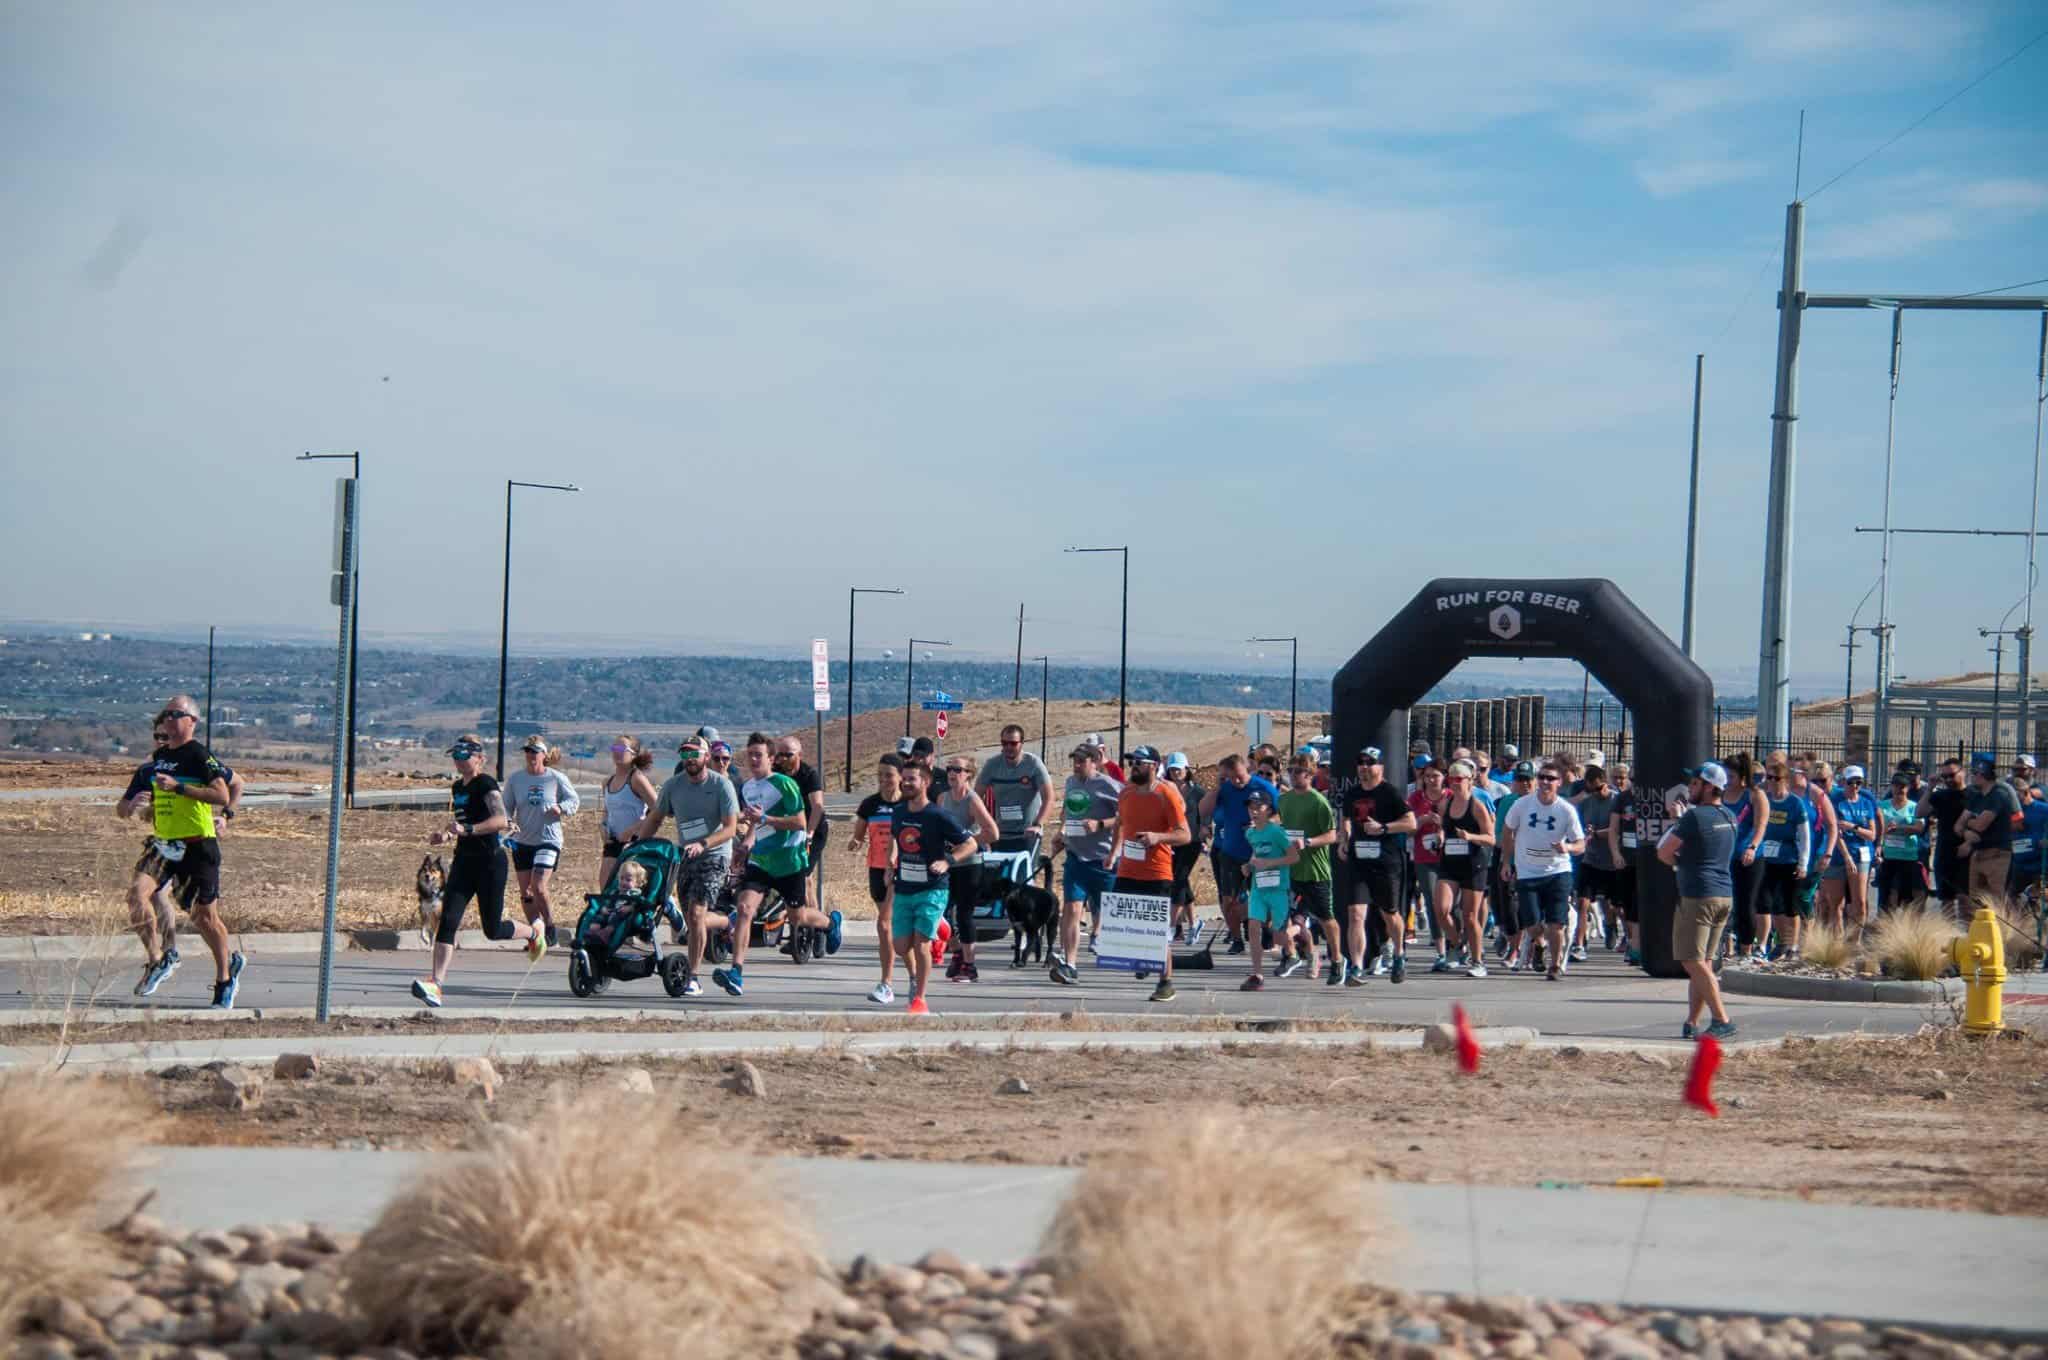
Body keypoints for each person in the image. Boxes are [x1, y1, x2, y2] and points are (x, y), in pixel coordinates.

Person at [123, 696, 243, 1007]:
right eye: (166, 715)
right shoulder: (158, 758)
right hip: (164, 844)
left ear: (192, 721)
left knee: (205, 919)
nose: (168, 720)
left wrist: (181, 789)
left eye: (176, 714)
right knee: (137, 895)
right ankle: (157, 958)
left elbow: (221, 792)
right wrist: (135, 807)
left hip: (197, 845)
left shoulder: (198, 755)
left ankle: (224, 977)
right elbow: (124, 806)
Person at [415, 735, 548, 1007]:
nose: (459, 759)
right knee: (448, 920)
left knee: (492, 929)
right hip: (464, 862)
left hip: (490, 863)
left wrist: (469, 830)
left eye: (465, 754)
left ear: (479, 758)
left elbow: (501, 819)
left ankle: (535, 933)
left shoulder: (486, 784)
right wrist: (447, 836)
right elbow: (463, 822)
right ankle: (436, 985)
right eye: (456, 754)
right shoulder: (456, 787)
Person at [711, 734, 844, 997]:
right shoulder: (747, 788)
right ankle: (736, 972)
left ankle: (829, 923)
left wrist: (767, 818)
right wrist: (746, 845)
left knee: (797, 918)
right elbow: (753, 824)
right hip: (761, 862)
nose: (753, 759)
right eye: (750, 754)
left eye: (758, 754)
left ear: (771, 759)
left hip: (790, 863)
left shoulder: (785, 785)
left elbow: (800, 821)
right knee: (745, 908)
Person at [628, 736, 740, 998]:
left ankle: (694, 976)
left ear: (705, 756)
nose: (689, 760)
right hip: (686, 855)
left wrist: (704, 843)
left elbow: (731, 828)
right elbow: (655, 818)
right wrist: (636, 847)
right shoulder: (673, 786)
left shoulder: (721, 785)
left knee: (698, 913)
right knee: (691, 916)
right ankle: (727, 921)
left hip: (714, 854)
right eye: (684, 755)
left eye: (694, 755)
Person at [1655, 761, 1740, 1040]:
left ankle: (1721, 1018)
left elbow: (1664, 852)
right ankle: (1692, 1021)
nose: (1690, 787)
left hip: (1699, 895)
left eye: (1694, 783)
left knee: (1691, 960)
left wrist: (1679, 862)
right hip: (1723, 895)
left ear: (1709, 787)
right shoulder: (1729, 816)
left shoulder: (1693, 818)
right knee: (1702, 961)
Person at [887, 761, 978, 1016]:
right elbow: (896, 839)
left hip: (932, 889)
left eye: (911, 779)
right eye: (903, 778)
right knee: (901, 947)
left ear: (925, 783)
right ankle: (919, 968)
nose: (905, 783)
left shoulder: (938, 815)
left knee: (921, 945)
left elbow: (970, 843)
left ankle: (920, 998)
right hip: (904, 887)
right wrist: (889, 864)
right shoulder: (899, 812)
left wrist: (947, 861)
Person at [1108, 746, 1190, 1003]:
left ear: (1154, 766)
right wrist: (1113, 852)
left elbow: (1185, 834)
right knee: (1124, 925)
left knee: (1156, 930)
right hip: (1127, 869)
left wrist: (1158, 837)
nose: (1134, 767)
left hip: (1157, 872)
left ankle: (1166, 982)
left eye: (1140, 763)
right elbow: (1121, 824)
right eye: (1132, 762)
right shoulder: (1126, 793)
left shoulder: (1166, 794)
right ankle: (1141, 959)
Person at [1500, 764, 1586, 982]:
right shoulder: (1522, 805)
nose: (1546, 782)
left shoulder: (1566, 810)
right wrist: (1506, 863)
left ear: (1559, 783)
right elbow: (1508, 830)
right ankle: (1539, 945)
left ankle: (1555, 965)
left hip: (1557, 871)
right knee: (1532, 924)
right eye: (1542, 777)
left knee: (1557, 923)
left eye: (1551, 778)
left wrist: (1567, 848)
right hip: (1527, 871)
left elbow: (1580, 843)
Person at [1339, 746, 1413, 988]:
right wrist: (1343, 840)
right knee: (1356, 914)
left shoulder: (1389, 792)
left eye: (1370, 763)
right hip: (1359, 860)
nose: (1364, 767)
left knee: (1389, 913)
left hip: (1385, 861)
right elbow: (1346, 819)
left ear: (1380, 767)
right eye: (1361, 763)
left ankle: (1399, 953)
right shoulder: (1352, 793)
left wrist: (1383, 828)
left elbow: (1410, 822)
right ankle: (1357, 966)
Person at [1050, 743, 1123, 985]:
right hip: (1076, 858)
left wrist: (1101, 825)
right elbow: (1067, 812)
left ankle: (1137, 957)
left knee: (1114, 912)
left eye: (1082, 761)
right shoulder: (1071, 783)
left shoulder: (1110, 786)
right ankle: (1069, 964)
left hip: (1102, 860)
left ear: (1095, 761)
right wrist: (1061, 833)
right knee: (1071, 909)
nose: (1077, 765)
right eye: (1075, 761)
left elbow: (1124, 818)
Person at [1200, 754, 1281, 955]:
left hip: (1260, 852)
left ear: (1247, 770)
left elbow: (1281, 814)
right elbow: (1203, 810)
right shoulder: (1226, 789)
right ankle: (1236, 938)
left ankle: (1267, 929)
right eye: (1231, 777)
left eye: (1239, 776)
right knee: (1229, 900)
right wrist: (1219, 786)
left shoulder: (1262, 787)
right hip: (1230, 852)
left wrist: (1262, 822)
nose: (1236, 781)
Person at [504, 738, 581, 945]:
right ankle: (536, 935)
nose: (530, 755)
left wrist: (561, 808)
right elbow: (506, 807)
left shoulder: (556, 778)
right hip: (522, 840)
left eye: (535, 751)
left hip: (548, 839)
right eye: (528, 751)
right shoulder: (516, 779)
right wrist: (509, 821)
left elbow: (574, 800)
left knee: (537, 886)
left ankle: (549, 925)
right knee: (526, 893)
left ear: (544, 755)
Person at [939, 757, 1002, 979]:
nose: (952, 773)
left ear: (968, 774)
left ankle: (969, 965)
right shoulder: (943, 798)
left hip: (970, 865)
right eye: (949, 769)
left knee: (964, 914)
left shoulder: (972, 800)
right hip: (948, 863)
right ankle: (956, 952)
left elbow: (993, 833)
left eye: (958, 769)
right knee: (937, 911)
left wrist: (968, 841)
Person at [850, 753, 907, 1004]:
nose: (884, 780)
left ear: (900, 777)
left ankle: (887, 984)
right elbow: (859, 834)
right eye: (880, 775)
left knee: (884, 925)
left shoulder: (908, 804)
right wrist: (855, 841)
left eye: (889, 775)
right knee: (893, 930)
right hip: (875, 868)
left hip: (902, 869)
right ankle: (915, 977)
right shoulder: (869, 805)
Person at [1278, 753, 1339, 981]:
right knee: (1289, 919)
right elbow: (1283, 828)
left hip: (1316, 871)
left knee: (1326, 919)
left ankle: (1337, 960)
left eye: (1298, 771)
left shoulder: (1319, 801)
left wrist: (1309, 842)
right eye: (1290, 770)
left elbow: (1333, 835)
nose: (1293, 775)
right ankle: (1298, 954)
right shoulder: (1284, 800)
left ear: (1310, 774)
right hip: (1292, 871)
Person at [1437, 760, 1497, 979]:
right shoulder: (1446, 803)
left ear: (1469, 781)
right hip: (1450, 861)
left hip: (1474, 863)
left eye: (1459, 779)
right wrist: (1440, 837)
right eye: (1451, 779)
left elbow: (1491, 838)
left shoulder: (1477, 805)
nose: (1454, 783)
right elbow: (1444, 828)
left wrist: (1470, 837)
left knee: (1470, 916)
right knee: (1441, 909)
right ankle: (1456, 943)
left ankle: (1478, 960)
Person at [1755, 758, 1812, 962]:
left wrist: (1803, 863)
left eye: (1775, 778)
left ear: (1785, 781)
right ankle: (1774, 943)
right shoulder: (1764, 800)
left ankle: (1793, 946)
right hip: (1766, 859)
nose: (1771, 782)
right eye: (1768, 778)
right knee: (1766, 902)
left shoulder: (1795, 804)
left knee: (1790, 906)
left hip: (1789, 860)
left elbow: (1804, 835)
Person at [1240, 790, 1297, 990]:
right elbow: (1256, 854)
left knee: (1277, 935)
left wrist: (1270, 863)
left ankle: (1301, 931)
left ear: (1269, 810)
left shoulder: (1276, 832)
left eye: (1258, 807)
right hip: (1258, 888)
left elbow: (1293, 857)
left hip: (1278, 888)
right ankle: (1257, 974)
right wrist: (1249, 866)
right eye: (1251, 807)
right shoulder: (1250, 833)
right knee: (1253, 927)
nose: (1254, 811)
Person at [976, 723, 1054, 852]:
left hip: (1027, 835)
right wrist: (984, 827)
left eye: (1013, 743)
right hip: (1000, 835)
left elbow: (1049, 798)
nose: (1008, 747)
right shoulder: (992, 765)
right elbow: (975, 798)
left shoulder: (1033, 764)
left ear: (1022, 743)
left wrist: (1038, 825)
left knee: (1024, 872)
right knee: (1000, 872)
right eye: (1004, 743)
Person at [1402, 759, 1448, 971]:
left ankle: (1458, 943)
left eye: (1435, 776)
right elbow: (1408, 830)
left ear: (1444, 777)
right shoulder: (1415, 798)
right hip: (1424, 858)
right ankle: (1441, 951)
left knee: (1452, 906)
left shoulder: (1451, 797)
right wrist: (1422, 820)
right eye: (1427, 776)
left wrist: (1442, 827)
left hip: (1450, 857)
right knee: (1433, 902)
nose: (1430, 780)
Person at [598, 735, 659, 891]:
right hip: (613, 841)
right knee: (605, 888)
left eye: (621, 749)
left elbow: (658, 808)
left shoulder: (637, 778)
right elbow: (607, 810)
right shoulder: (607, 782)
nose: (616, 752)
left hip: (634, 842)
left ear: (633, 754)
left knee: (630, 891)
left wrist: (632, 830)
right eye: (614, 748)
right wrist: (602, 826)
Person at [1959, 756, 2022, 905]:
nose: (1972, 777)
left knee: (1997, 900)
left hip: (1998, 854)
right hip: (1978, 853)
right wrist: (1966, 833)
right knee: (1976, 899)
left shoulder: (1999, 794)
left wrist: (1968, 822)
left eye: (1974, 773)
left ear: (1982, 775)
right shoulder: (1976, 796)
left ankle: (2001, 929)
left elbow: (1981, 825)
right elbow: (1957, 826)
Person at [1573, 766, 1620, 960]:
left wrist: (1598, 833)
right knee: (1582, 902)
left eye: (1599, 789)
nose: (1596, 793)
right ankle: (1579, 943)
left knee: (1610, 905)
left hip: (1611, 861)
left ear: (1606, 784)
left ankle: (1611, 926)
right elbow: (1579, 828)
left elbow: (1618, 828)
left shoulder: (1616, 801)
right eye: (1591, 789)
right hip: (1590, 859)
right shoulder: (1586, 804)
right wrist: (1585, 833)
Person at [1828, 766, 1879, 936]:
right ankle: (1838, 939)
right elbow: (1836, 832)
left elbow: (1871, 834)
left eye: (1859, 782)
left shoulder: (1866, 803)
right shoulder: (1836, 801)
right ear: (1843, 782)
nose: (1855, 786)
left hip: (1862, 854)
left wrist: (1853, 827)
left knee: (1860, 901)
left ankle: (1855, 939)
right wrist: (1846, 856)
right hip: (1840, 855)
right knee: (1836, 902)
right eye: (1851, 782)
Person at [772, 735, 830, 877]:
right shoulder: (776, 772)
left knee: (801, 875)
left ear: (800, 755)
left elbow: (817, 806)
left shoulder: (809, 775)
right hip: (787, 829)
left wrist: (809, 834)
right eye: (780, 755)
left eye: (789, 755)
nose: (784, 759)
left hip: (811, 829)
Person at [1163, 753, 1206, 941]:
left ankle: (1172, 926)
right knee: (1181, 880)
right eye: (1172, 769)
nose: (1175, 772)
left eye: (1178, 769)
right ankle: (1193, 923)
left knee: (1178, 878)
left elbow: (1204, 815)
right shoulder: (1165, 789)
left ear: (1186, 769)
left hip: (1192, 841)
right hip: (1172, 840)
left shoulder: (1198, 792)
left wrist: (1206, 830)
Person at [1920, 758, 1970, 910]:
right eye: (1945, 776)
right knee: (1946, 900)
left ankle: (1968, 933)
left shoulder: (1973, 794)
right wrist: (1930, 788)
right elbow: (1920, 812)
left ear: (1963, 772)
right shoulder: (1940, 796)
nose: (1948, 779)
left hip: (1966, 852)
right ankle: (1949, 932)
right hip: (1944, 851)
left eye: (1952, 775)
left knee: (1965, 898)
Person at [1876, 773, 1927, 912]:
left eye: (1903, 786)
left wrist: (1899, 828)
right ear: (1891, 786)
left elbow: (1919, 828)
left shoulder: (1914, 807)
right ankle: (1887, 927)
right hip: (1888, 856)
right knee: (1888, 896)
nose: (1899, 789)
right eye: (1896, 786)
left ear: (1908, 787)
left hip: (1908, 857)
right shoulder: (1882, 805)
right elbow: (1875, 828)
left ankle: (1905, 927)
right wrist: (1884, 831)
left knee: (1907, 898)